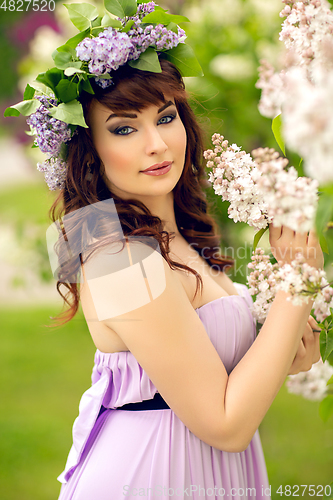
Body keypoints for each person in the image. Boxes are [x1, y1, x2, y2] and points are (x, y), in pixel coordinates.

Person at [6, 3, 323, 498]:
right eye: (124, 128)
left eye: (167, 117)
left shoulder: (182, 238)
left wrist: (284, 347)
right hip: (151, 476)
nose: (157, 144)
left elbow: (212, 374)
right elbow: (224, 423)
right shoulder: (117, 257)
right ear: (90, 149)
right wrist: (296, 283)